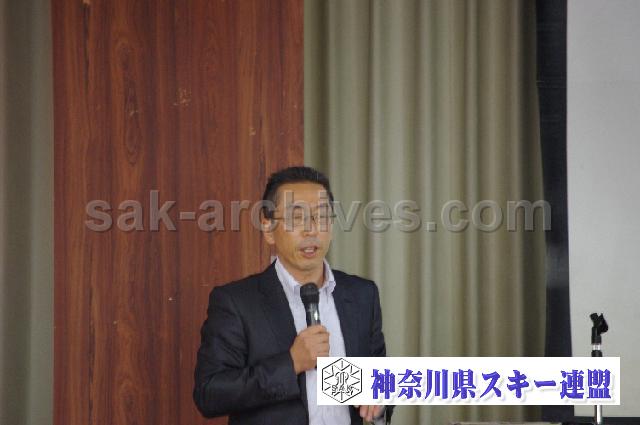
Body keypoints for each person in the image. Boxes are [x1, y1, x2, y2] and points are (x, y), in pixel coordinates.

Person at [193, 166, 393, 424]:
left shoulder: (362, 295)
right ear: (268, 228)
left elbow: (380, 383)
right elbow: (209, 394)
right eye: (296, 218)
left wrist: (378, 401)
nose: (311, 230)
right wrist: (291, 363)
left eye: (321, 216)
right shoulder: (236, 302)